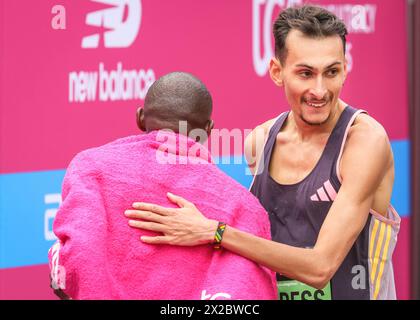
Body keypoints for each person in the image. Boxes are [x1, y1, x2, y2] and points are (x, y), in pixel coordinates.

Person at [124, 5, 401, 300]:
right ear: (277, 72)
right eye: (305, 73)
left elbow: (320, 268)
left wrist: (215, 233)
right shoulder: (259, 140)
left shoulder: (365, 140)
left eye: (331, 72)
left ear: (344, 69)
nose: (320, 90)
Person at [48, 72, 277, 300]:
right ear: (208, 129)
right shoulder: (243, 206)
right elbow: (248, 292)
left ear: (139, 117)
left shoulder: (90, 168)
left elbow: (73, 264)